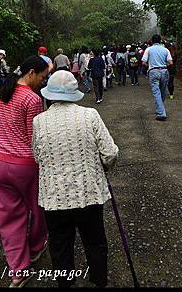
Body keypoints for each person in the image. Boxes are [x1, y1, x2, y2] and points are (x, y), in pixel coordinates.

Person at [33, 70, 118, 288]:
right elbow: (109, 153)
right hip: (88, 193)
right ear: (74, 92)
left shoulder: (39, 121)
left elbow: (37, 156)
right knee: (95, 242)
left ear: (49, 95)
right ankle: (99, 281)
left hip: (54, 198)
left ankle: (66, 284)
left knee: (60, 245)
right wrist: (104, 165)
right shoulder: (90, 115)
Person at [0, 56, 50, 287]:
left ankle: (18, 269)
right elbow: (34, 138)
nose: (43, 81)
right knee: (38, 210)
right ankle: (36, 247)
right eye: (42, 76)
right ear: (31, 73)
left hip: (1, 164)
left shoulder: (1, 95)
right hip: (25, 165)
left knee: (10, 219)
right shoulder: (31, 98)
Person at [141, 34, 173, 121]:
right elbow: (170, 63)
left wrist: (150, 66)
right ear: (160, 40)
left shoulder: (149, 49)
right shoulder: (165, 50)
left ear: (151, 41)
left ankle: (161, 113)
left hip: (153, 71)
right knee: (163, 92)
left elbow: (143, 62)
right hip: (164, 71)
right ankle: (160, 109)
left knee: (156, 92)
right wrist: (163, 65)